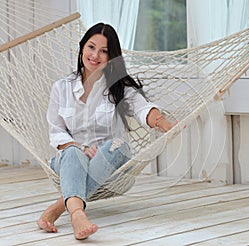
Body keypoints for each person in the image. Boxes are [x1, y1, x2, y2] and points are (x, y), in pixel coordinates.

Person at [37, 22, 173, 240]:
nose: (95, 55)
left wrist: (163, 123)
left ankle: (61, 206)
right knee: (73, 152)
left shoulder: (120, 88)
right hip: (69, 159)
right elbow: (56, 131)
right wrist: (79, 149)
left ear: (112, 57)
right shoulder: (61, 88)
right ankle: (77, 213)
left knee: (118, 146)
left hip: (109, 157)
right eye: (91, 47)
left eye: (104, 51)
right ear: (82, 47)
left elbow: (143, 108)